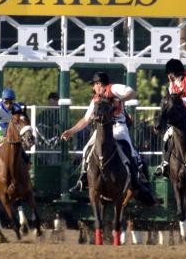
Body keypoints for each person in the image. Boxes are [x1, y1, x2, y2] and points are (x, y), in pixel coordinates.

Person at [61, 72, 154, 204]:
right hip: (102, 129)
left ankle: (137, 180)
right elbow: (86, 120)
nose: (94, 88)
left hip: (118, 127)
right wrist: (71, 131)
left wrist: (119, 99)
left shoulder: (113, 88)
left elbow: (132, 92)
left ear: (99, 84)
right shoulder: (96, 99)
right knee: (86, 149)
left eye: (95, 85)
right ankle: (82, 179)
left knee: (132, 152)